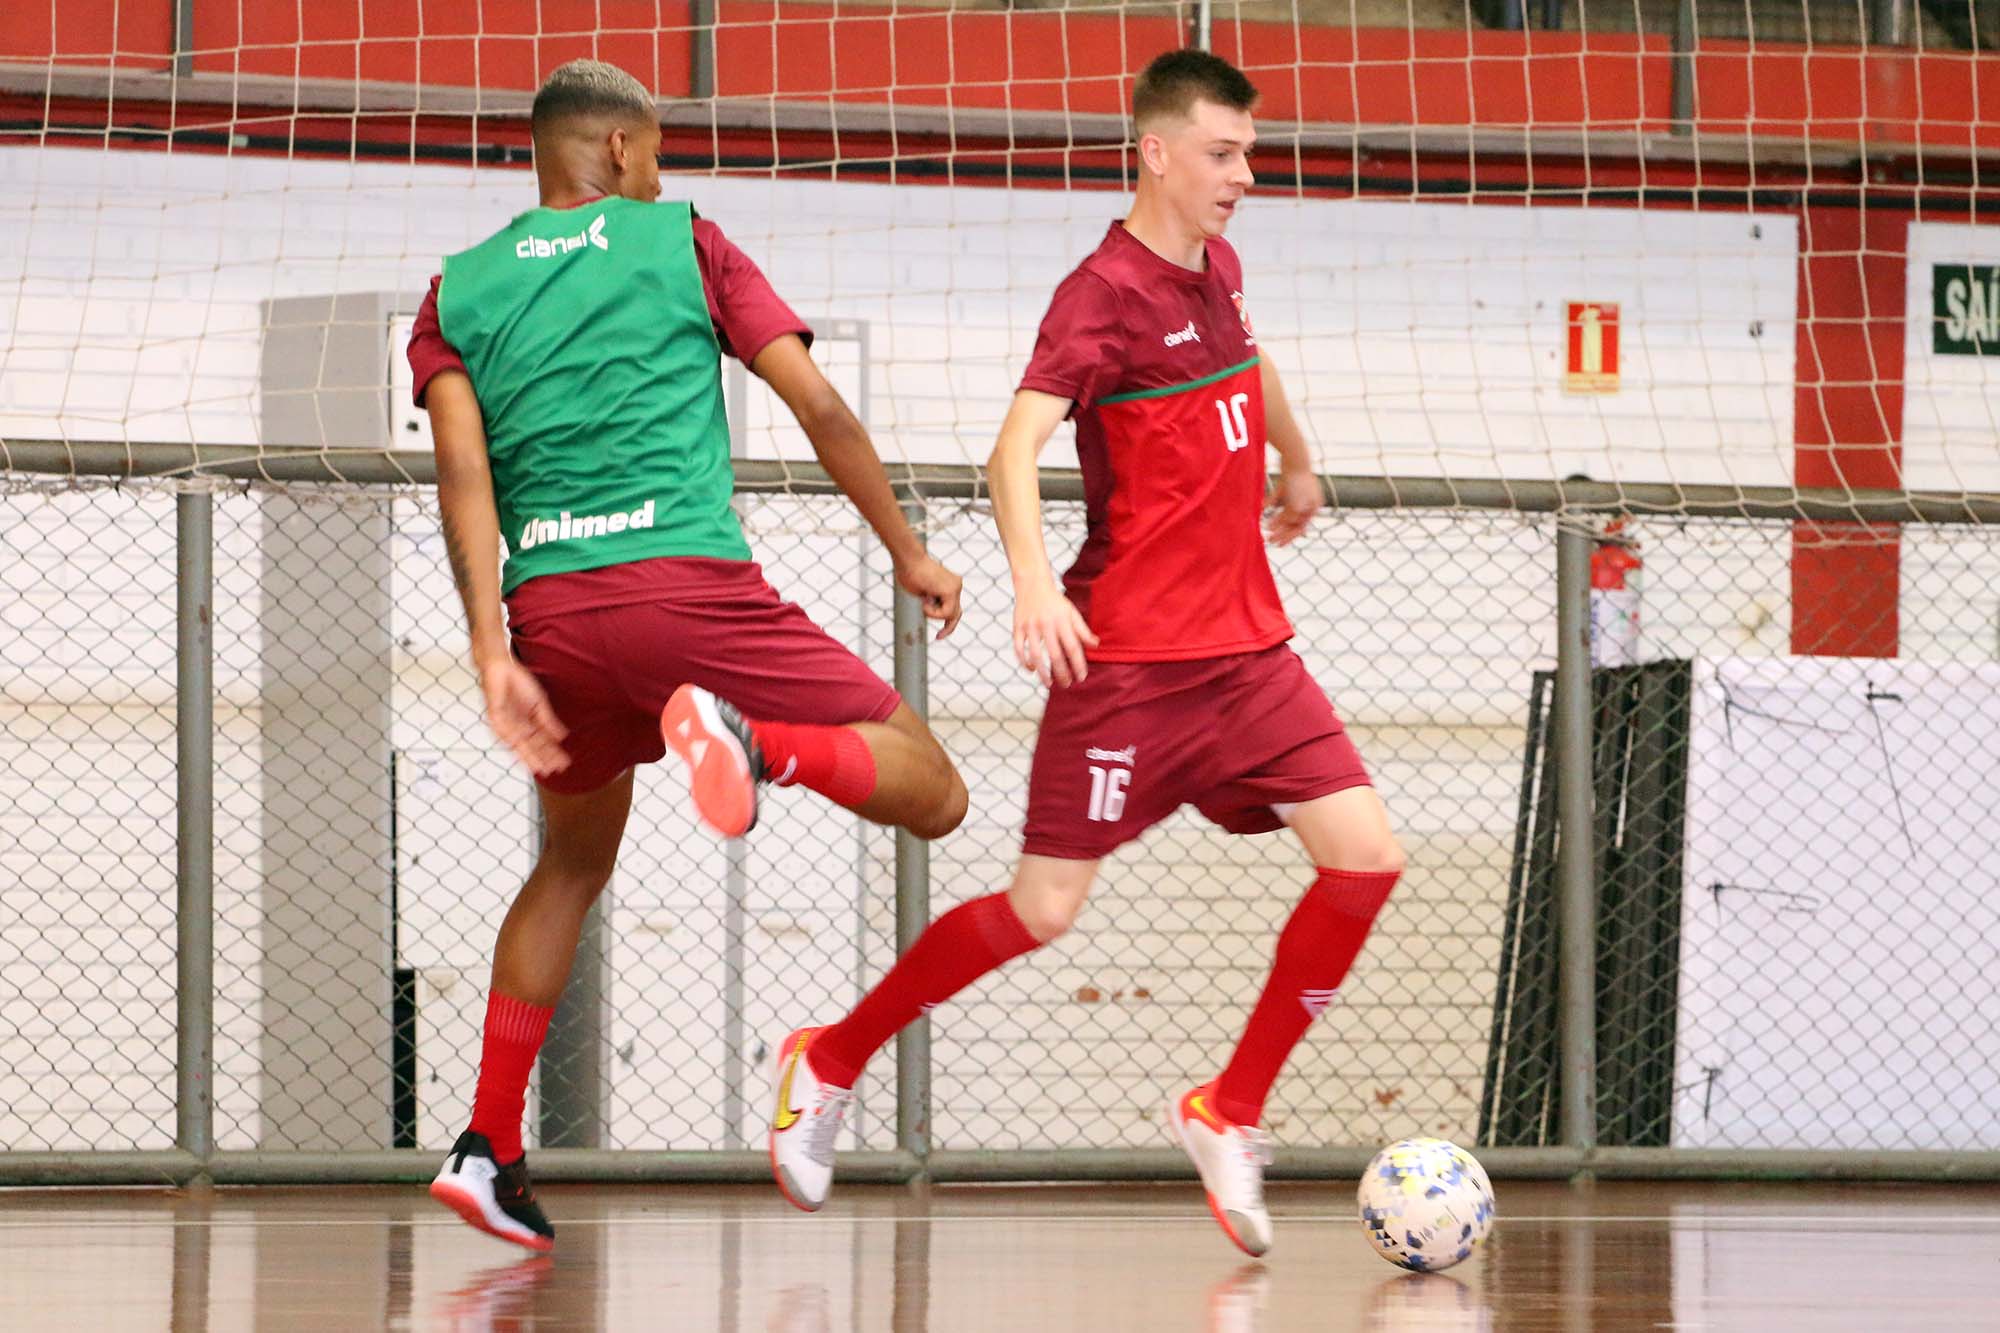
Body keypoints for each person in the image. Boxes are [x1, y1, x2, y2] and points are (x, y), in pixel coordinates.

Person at [765, 48, 1402, 1258]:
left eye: (1249, 153)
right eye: (1222, 153)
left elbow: (1249, 359)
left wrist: (1296, 455)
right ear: (1155, 153)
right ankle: (830, 1055)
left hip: (1250, 662)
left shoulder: (1217, 267)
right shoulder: (1097, 295)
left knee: (1365, 860)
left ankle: (1228, 1108)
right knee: (1042, 910)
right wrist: (1033, 584)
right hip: (1131, 672)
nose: (1243, 175)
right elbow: (1013, 452)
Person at [407, 58, 970, 1252]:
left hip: (551, 616)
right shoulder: (685, 241)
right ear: (619, 148)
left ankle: (487, 1143)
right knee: (933, 788)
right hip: (688, 594)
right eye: (657, 152)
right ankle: (763, 749)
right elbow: (818, 406)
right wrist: (907, 550)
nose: (661, 175)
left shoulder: (455, 289)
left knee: (570, 863)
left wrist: (490, 651)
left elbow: (462, 474)